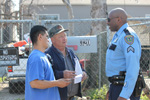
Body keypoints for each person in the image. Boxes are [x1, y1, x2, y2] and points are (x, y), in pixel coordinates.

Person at [25, 25, 71, 100]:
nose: (48, 39)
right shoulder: (36, 58)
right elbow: (34, 83)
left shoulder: (42, 56)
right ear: (40, 37)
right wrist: (57, 83)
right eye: (46, 36)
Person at [106, 8, 142, 100]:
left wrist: (124, 95)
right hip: (116, 87)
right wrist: (112, 89)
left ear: (118, 19)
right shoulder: (119, 35)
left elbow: (133, 67)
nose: (107, 22)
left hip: (124, 89)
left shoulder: (128, 36)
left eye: (109, 19)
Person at [45, 24, 88, 100]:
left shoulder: (70, 52)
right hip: (57, 97)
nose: (64, 38)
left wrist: (83, 73)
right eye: (60, 36)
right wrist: (62, 74)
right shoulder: (48, 55)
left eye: (64, 36)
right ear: (52, 40)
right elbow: (45, 76)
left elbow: (80, 68)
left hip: (72, 97)